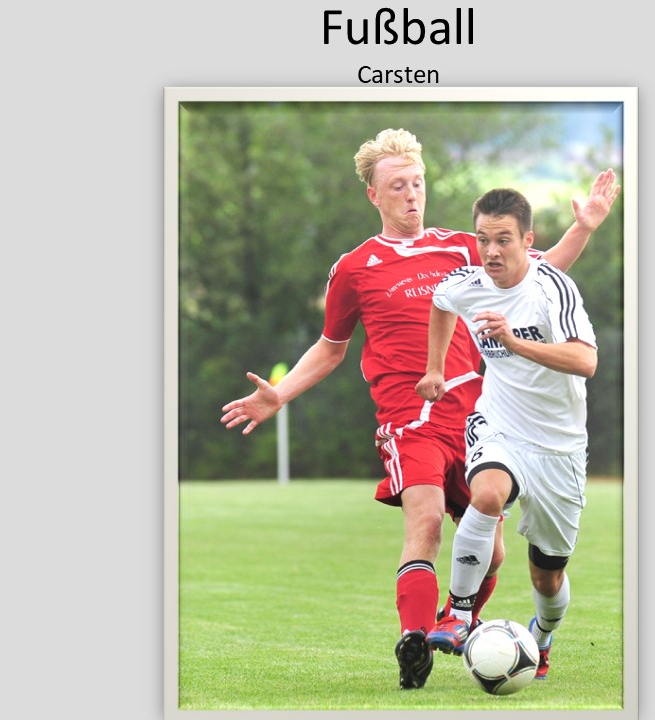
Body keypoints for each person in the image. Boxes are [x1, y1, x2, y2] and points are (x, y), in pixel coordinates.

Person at [220, 128, 619, 690]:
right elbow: (331, 348)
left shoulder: (464, 247)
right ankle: (415, 639)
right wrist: (279, 394)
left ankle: (458, 620)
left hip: (479, 417)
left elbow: (539, 272)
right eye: (397, 186)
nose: (411, 195)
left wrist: (584, 226)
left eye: (417, 183)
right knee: (426, 521)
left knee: (494, 553)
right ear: (373, 195)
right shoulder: (355, 267)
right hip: (409, 419)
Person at [417, 187, 599, 682]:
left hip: (560, 447)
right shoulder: (468, 282)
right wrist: (435, 368)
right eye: (483, 239)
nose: (491, 251)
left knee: (548, 575)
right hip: (499, 424)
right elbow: (441, 302)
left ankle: (542, 636)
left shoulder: (553, 288)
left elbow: (586, 360)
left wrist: (514, 342)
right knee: (488, 494)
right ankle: (457, 614)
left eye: (503, 240)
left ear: (527, 241)